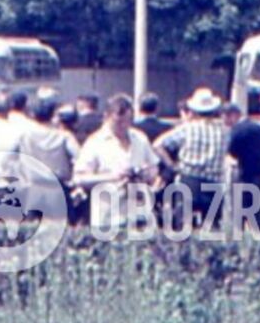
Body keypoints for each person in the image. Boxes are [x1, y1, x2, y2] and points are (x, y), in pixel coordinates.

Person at [73, 94, 161, 232]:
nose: (123, 126)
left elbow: (154, 168)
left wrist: (146, 173)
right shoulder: (95, 142)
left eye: (127, 121)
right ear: (106, 117)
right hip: (108, 216)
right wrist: (113, 177)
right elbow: (79, 178)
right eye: (118, 122)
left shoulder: (140, 138)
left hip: (139, 213)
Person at [155, 88, 231, 229]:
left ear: (194, 110)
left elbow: (159, 145)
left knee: (183, 226)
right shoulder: (224, 131)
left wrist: (172, 165)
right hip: (214, 183)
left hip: (189, 180)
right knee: (211, 228)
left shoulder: (187, 128)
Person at [225, 103, 260, 236]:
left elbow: (231, 150)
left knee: (239, 214)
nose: (225, 122)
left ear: (233, 116)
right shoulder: (258, 128)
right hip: (258, 176)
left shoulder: (236, 131)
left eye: (225, 118)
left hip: (242, 175)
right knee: (255, 212)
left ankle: (238, 244)